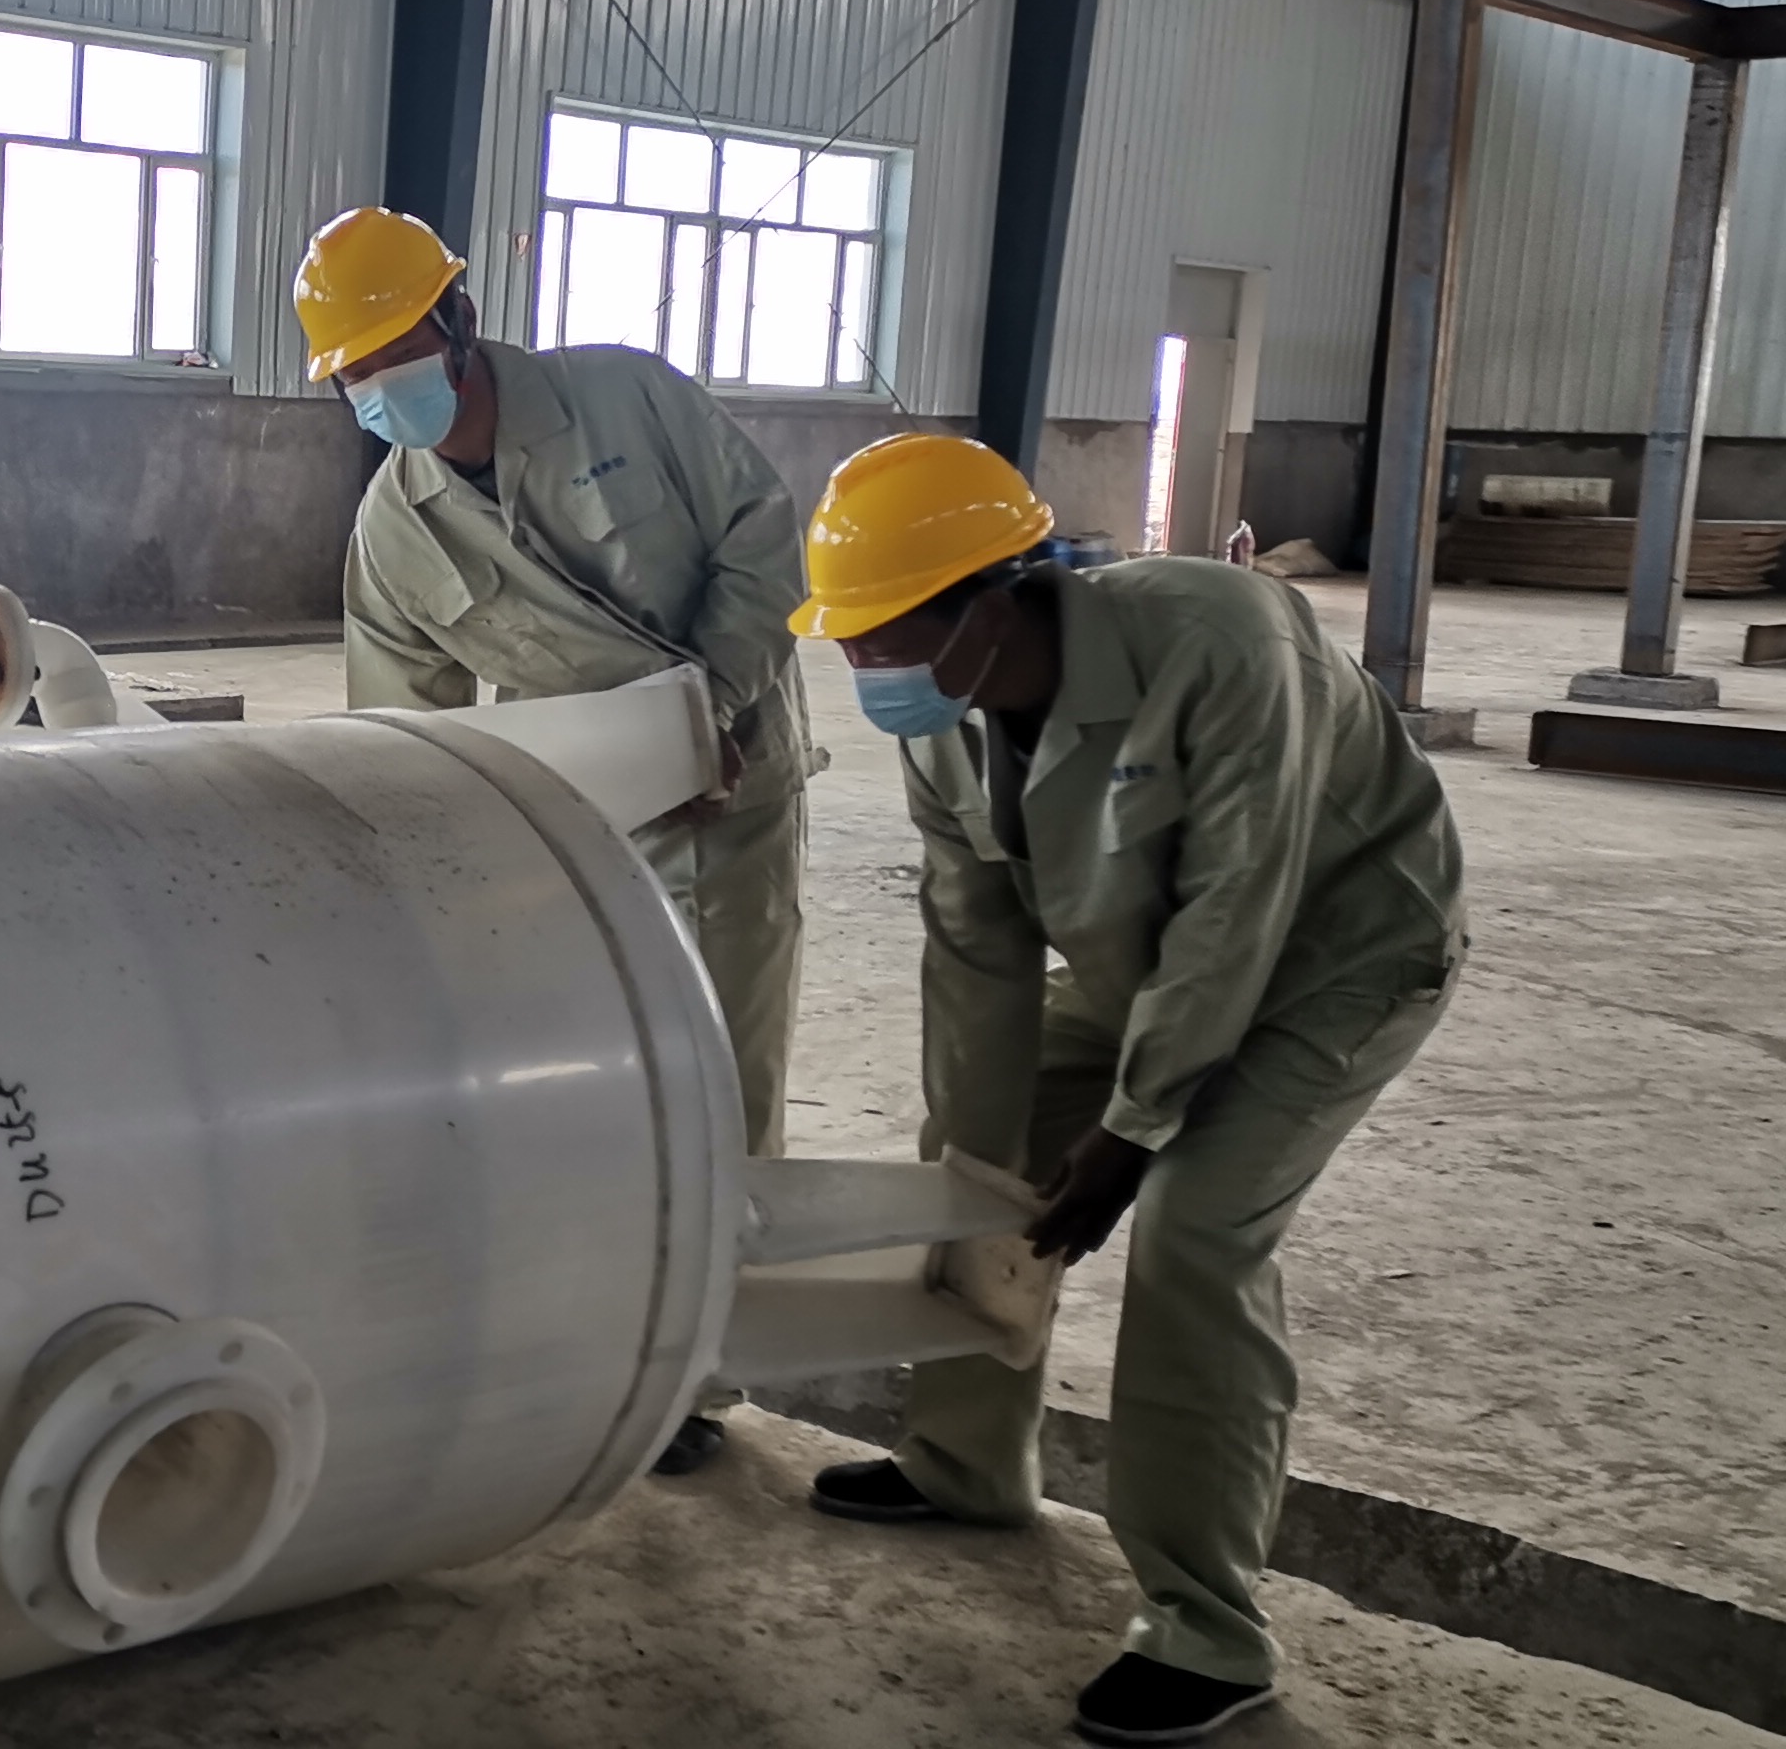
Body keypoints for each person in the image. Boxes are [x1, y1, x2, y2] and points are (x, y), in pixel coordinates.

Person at [788, 434, 1464, 1746]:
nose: (862, 664)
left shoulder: (1223, 641)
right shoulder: (948, 728)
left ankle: (1206, 1627)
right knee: (977, 1158)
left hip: (1337, 960)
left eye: (882, 633)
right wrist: (977, 1148)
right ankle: (967, 1463)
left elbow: (1238, 904)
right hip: (1140, 969)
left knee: (1196, 1237)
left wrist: (1134, 1128)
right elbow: (975, 952)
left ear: (993, 602)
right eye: (847, 638)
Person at [297, 206, 811, 1476]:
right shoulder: (396, 533)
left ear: (458, 319)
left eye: (396, 351)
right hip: (579, 822)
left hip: (730, 785)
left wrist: (710, 705)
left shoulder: (625, 400)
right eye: (355, 373)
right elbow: (402, 736)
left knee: (722, 1076)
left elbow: (764, 536)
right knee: (593, 1086)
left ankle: (700, 1371)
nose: (381, 387)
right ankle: (605, 1334)